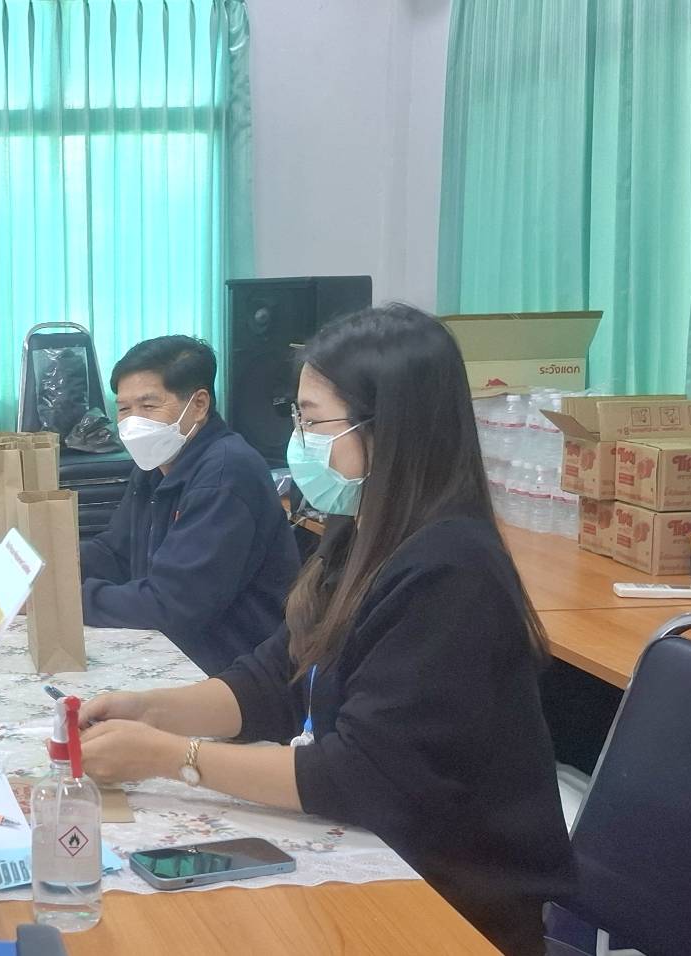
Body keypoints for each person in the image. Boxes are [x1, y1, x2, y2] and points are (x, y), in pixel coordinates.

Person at [77, 306, 575, 955]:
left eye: (313, 421)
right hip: (380, 852)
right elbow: (279, 675)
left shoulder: (451, 573)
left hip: (446, 900)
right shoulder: (361, 532)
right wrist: (150, 711)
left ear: (387, 429)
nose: (299, 438)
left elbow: (357, 775)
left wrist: (172, 757)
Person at [80, 335, 299, 675]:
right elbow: (115, 552)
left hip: (228, 670)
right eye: (123, 409)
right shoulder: (156, 464)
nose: (133, 422)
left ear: (198, 405)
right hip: (168, 649)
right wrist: (46, 572)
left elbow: (172, 604)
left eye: (149, 406)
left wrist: (64, 602)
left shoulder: (226, 474)